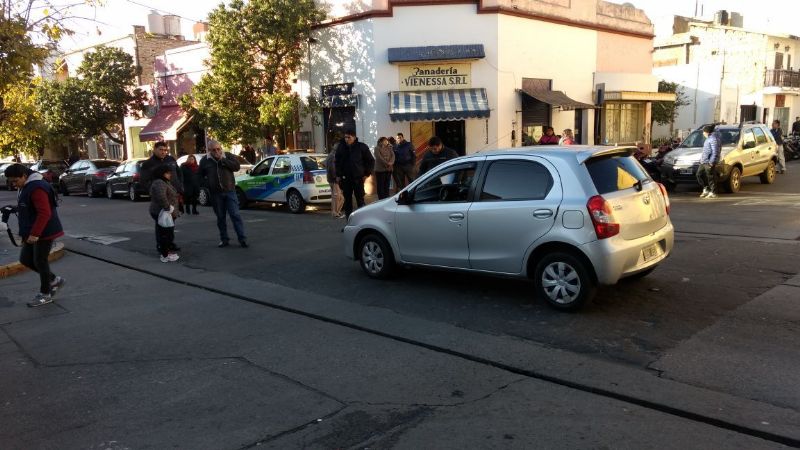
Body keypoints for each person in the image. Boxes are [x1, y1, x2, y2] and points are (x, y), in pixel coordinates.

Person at [3, 163, 65, 307]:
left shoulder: (36, 187)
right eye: (11, 182)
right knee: (25, 259)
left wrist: (35, 234)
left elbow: (44, 213)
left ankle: (45, 294)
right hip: (32, 230)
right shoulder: (26, 185)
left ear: (24, 176)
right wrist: (14, 209)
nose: (13, 185)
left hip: (44, 231)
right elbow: (29, 205)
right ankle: (54, 280)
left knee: (40, 261)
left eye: (15, 181)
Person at [200, 140, 248, 248]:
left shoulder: (228, 156)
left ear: (221, 148)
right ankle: (224, 239)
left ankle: (242, 239)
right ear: (209, 151)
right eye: (214, 150)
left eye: (219, 149)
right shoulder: (205, 160)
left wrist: (223, 160)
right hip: (216, 194)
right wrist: (208, 184)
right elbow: (200, 176)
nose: (217, 151)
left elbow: (236, 167)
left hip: (230, 191)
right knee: (220, 217)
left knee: (235, 215)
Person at [334, 130, 375, 218]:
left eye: (349, 137)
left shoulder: (361, 147)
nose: (347, 139)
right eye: (345, 137)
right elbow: (337, 162)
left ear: (354, 137)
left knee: (360, 200)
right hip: (346, 179)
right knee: (348, 202)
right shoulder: (341, 147)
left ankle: (362, 222)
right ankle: (349, 223)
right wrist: (338, 175)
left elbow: (371, 161)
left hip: (358, 178)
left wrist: (366, 174)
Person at [149, 165, 181, 263]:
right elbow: (161, 197)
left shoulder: (163, 182)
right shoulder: (159, 183)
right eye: (167, 172)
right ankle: (165, 254)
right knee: (165, 234)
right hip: (163, 212)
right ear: (162, 173)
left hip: (165, 212)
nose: (170, 174)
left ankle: (167, 251)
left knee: (166, 233)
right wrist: (168, 208)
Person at [697, 125, 721, 199]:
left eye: (703, 132)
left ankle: (713, 192)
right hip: (704, 161)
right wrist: (702, 160)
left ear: (707, 132)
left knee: (710, 177)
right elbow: (706, 151)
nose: (703, 133)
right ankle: (706, 189)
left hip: (709, 161)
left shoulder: (713, 139)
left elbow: (715, 152)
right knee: (699, 174)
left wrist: (711, 162)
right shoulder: (708, 139)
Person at [325, 145, 345, 218]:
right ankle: (335, 213)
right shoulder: (333, 156)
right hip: (333, 179)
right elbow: (332, 168)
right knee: (337, 197)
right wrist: (335, 177)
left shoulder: (329, 155)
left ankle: (336, 212)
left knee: (337, 197)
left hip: (331, 179)